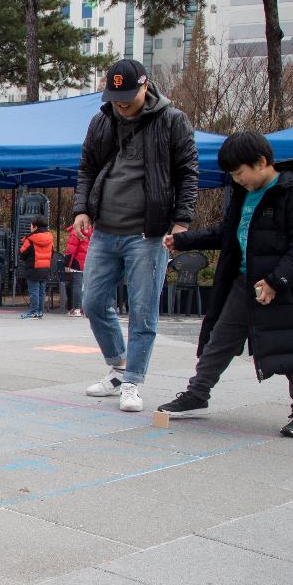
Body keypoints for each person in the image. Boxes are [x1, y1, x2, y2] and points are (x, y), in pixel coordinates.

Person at [156, 132, 293, 438]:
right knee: (220, 340)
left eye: (240, 173)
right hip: (245, 282)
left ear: (262, 162)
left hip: (289, 287)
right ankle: (197, 394)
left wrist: (276, 280)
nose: (237, 180)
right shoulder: (244, 194)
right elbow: (228, 233)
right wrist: (183, 240)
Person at [74, 58, 199, 413]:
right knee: (93, 302)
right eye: (115, 97)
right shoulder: (101, 121)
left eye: (128, 96)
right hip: (104, 229)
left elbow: (188, 172)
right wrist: (81, 209)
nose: (122, 104)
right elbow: (87, 168)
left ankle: (132, 382)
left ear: (146, 86)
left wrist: (182, 221)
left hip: (148, 233)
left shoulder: (172, 120)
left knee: (143, 311)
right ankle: (119, 365)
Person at [19, 216, 53, 319]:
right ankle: (39, 312)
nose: (30, 227)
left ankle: (33, 312)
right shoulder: (49, 238)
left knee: (34, 291)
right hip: (45, 269)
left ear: (35, 227)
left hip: (33, 269)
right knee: (41, 292)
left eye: (31, 225)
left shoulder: (30, 239)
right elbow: (52, 253)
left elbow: (22, 254)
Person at [63, 220, 90, 317]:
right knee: (85, 287)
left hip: (78, 262)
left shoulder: (76, 232)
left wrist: (67, 265)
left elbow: (71, 249)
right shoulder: (91, 230)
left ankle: (77, 309)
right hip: (89, 261)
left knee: (77, 286)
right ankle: (84, 309)